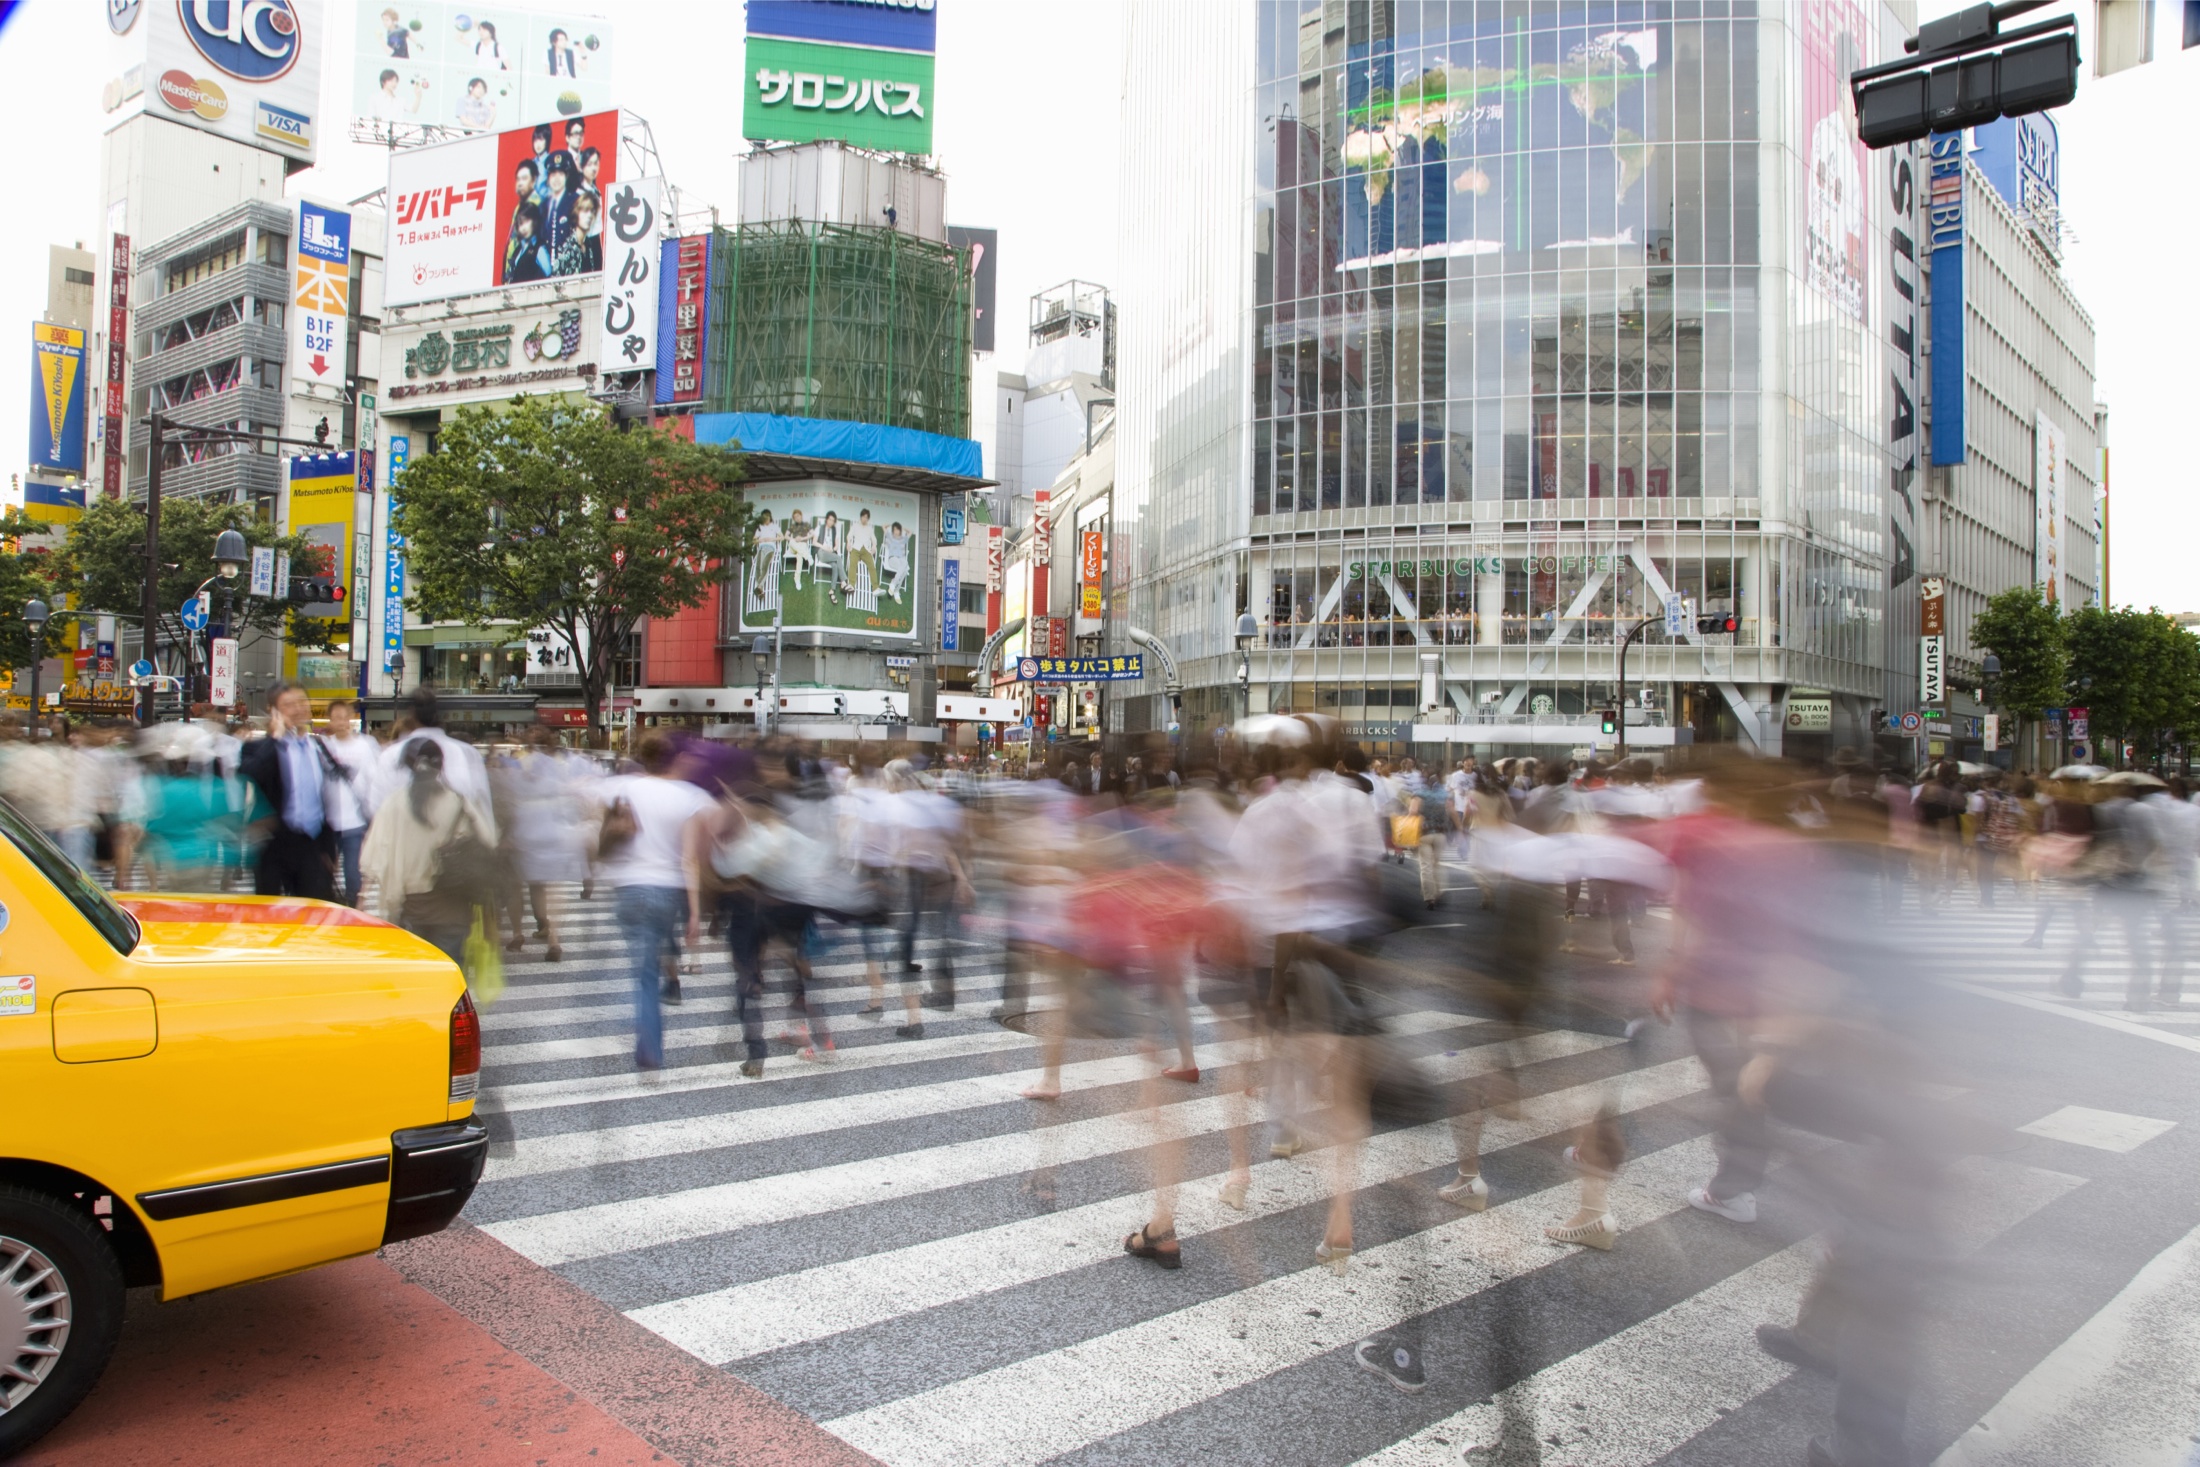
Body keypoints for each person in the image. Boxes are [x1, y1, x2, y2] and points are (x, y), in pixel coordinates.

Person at [597, 732, 717, 1071]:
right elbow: (691, 859)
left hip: (630, 888)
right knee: (652, 963)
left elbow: (588, 808)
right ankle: (650, 1041)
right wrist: (694, 912)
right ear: (673, 760)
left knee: (643, 972)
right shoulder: (690, 798)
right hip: (668, 891)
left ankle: (648, 1044)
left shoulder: (621, 788)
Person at [360, 738, 498, 966]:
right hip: (454, 907)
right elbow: (488, 841)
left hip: (412, 908)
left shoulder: (393, 804)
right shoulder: (459, 802)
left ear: (407, 765)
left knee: (418, 979)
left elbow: (373, 859)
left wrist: (362, 898)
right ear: (441, 766)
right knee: (451, 979)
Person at [238, 682, 340, 900]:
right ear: (272, 710)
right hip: (274, 842)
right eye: (289, 704)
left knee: (314, 913)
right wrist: (275, 738)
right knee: (270, 915)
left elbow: (324, 799)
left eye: (302, 702)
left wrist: (329, 849)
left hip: (311, 844)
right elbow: (251, 772)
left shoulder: (318, 747)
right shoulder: (258, 747)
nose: (298, 708)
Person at [322, 699, 380, 907]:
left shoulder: (365, 747)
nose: (341, 722)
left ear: (351, 718)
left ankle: (352, 907)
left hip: (354, 821)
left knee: (353, 872)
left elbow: (373, 781)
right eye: (336, 717)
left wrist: (373, 813)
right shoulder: (324, 747)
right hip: (328, 821)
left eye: (345, 717)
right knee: (325, 871)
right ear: (330, 720)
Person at [553, 190, 601, 276]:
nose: (590, 216)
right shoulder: (566, 247)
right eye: (585, 211)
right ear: (576, 213)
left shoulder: (590, 246)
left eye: (593, 212)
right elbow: (555, 285)